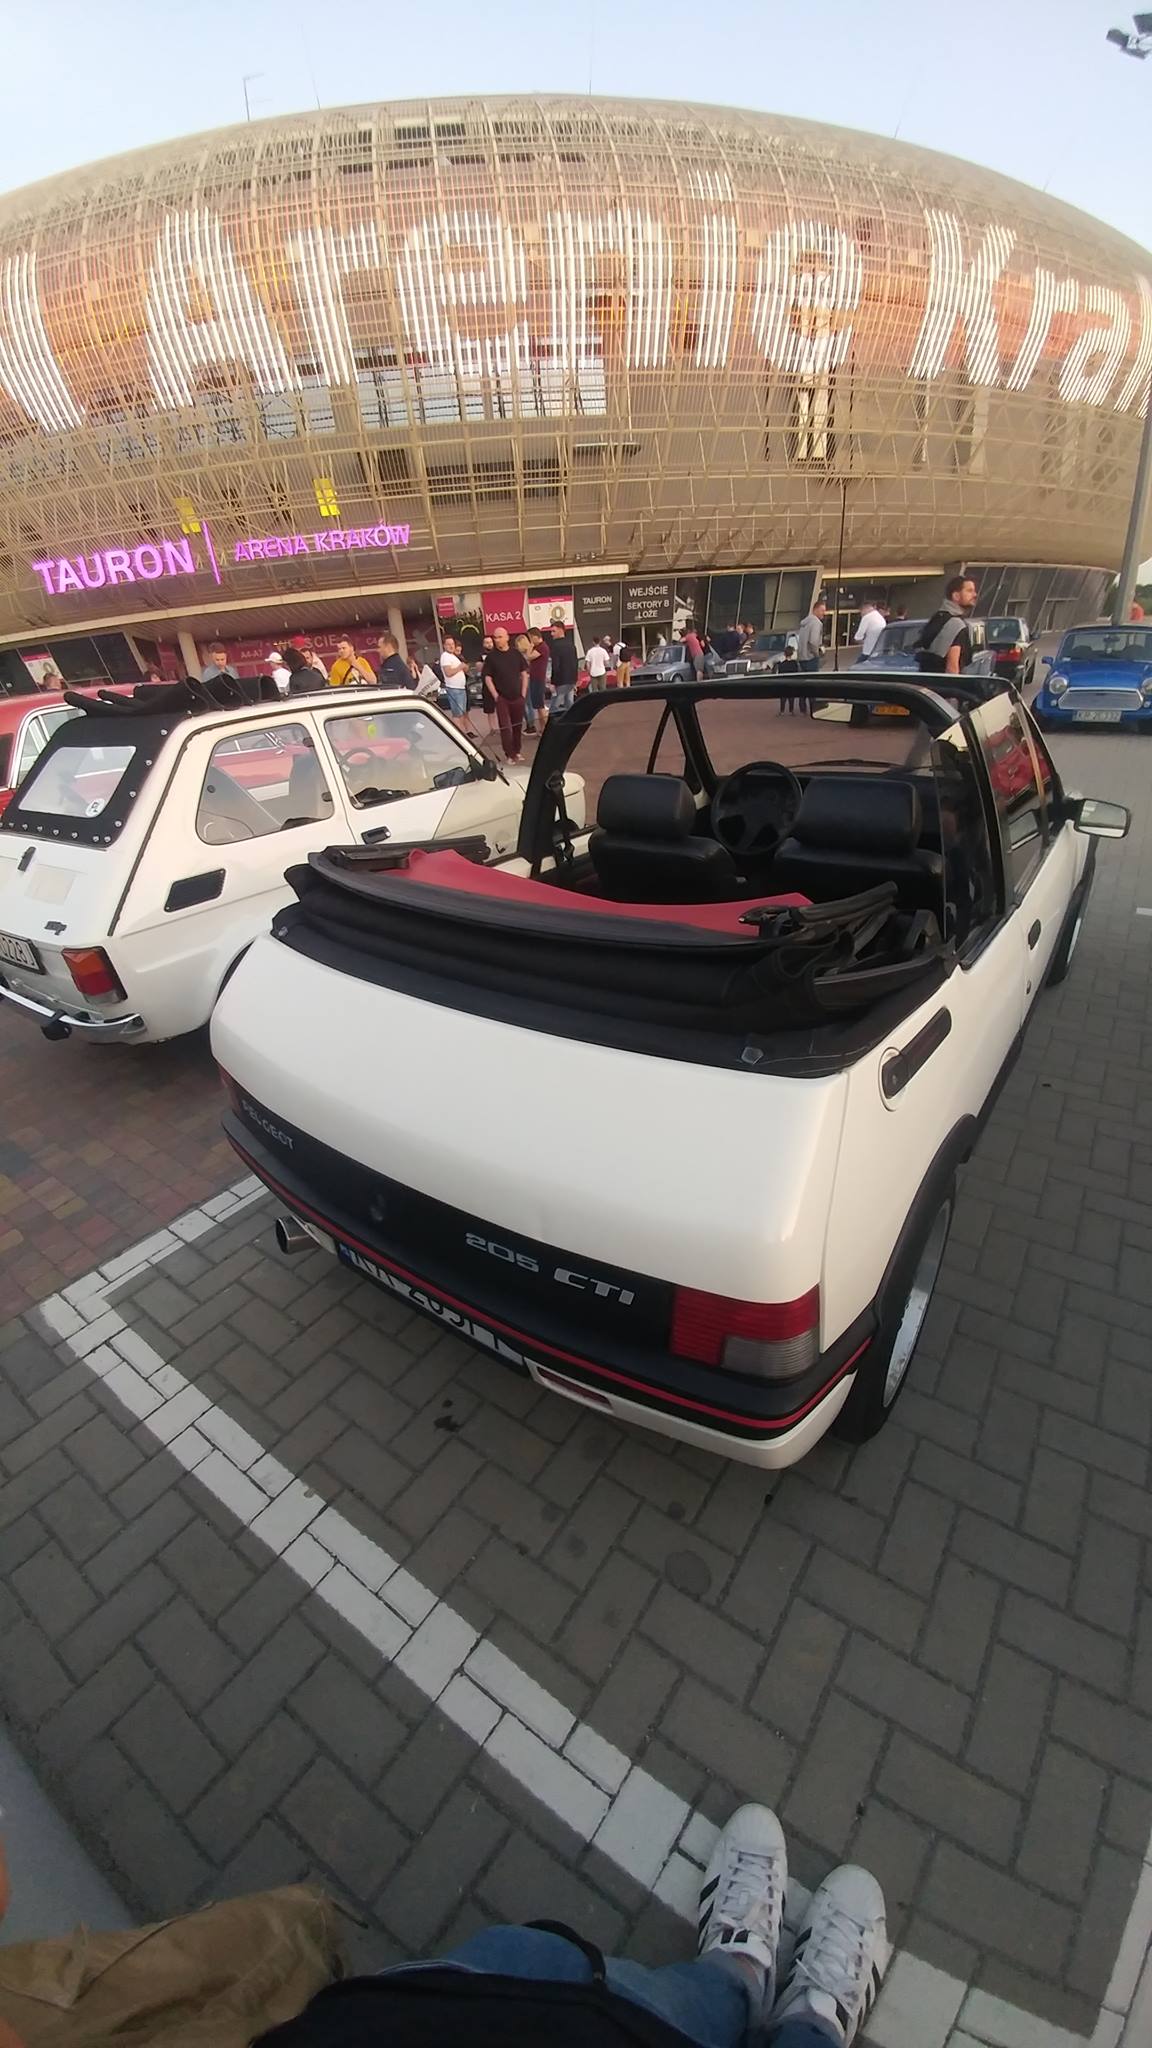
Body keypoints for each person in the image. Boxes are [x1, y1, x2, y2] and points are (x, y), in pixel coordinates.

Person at [255, 1805, 886, 2048]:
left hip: (447, 2012)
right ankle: (811, 2019)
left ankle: (736, 1978)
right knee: (658, 2017)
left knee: (656, 1999)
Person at [916, 574, 979, 676]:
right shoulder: (956, 625)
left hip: (926, 681)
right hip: (944, 683)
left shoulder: (936, 618)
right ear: (956, 596)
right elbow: (952, 667)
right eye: (969, 591)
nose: (975, 594)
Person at [482, 626, 529, 762]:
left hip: (517, 696)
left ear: (507, 637)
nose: (497, 640)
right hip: (502, 698)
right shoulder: (491, 657)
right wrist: (495, 695)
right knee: (506, 727)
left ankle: (517, 751)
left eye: (500, 637)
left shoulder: (515, 654)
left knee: (517, 726)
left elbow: (524, 673)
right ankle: (509, 754)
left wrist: (523, 693)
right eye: (495, 637)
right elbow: (487, 677)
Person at [788, 599, 825, 713]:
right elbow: (813, 641)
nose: (824, 613)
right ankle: (814, 706)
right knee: (813, 683)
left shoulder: (804, 623)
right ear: (815, 609)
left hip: (802, 657)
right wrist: (817, 653)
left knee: (803, 682)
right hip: (811, 658)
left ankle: (802, 706)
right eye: (822, 610)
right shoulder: (816, 623)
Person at [439, 635, 469, 730]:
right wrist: (459, 667)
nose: (451, 646)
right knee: (457, 714)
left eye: (452, 644)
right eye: (448, 644)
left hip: (461, 687)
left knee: (462, 712)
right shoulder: (445, 656)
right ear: (444, 646)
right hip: (454, 688)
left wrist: (464, 667)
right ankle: (459, 731)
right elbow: (448, 672)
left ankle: (463, 730)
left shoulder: (453, 656)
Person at [549, 621, 579, 715]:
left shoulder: (555, 646)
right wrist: (575, 679)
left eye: (554, 631)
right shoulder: (571, 644)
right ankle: (572, 720)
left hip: (561, 680)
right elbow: (575, 662)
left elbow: (555, 665)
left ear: (561, 630)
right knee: (569, 703)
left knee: (554, 706)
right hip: (571, 679)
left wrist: (553, 682)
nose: (551, 634)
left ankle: (553, 723)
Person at [526, 629, 551, 734]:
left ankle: (548, 729)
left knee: (540, 705)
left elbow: (529, 656)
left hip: (538, 678)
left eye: (530, 638)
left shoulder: (542, 647)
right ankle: (542, 729)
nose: (530, 640)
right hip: (534, 678)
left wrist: (530, 647)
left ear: (535, 636)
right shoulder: (538, 647)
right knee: (537, 705)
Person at [853, 597, 887, 664]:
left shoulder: (867, 617)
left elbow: (858, 637)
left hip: (868, 652)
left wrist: (864, 642)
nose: (861, 614)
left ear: (863, 609)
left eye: (860, 612)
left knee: (856, 668)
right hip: (879, 651)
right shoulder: (880, 617)